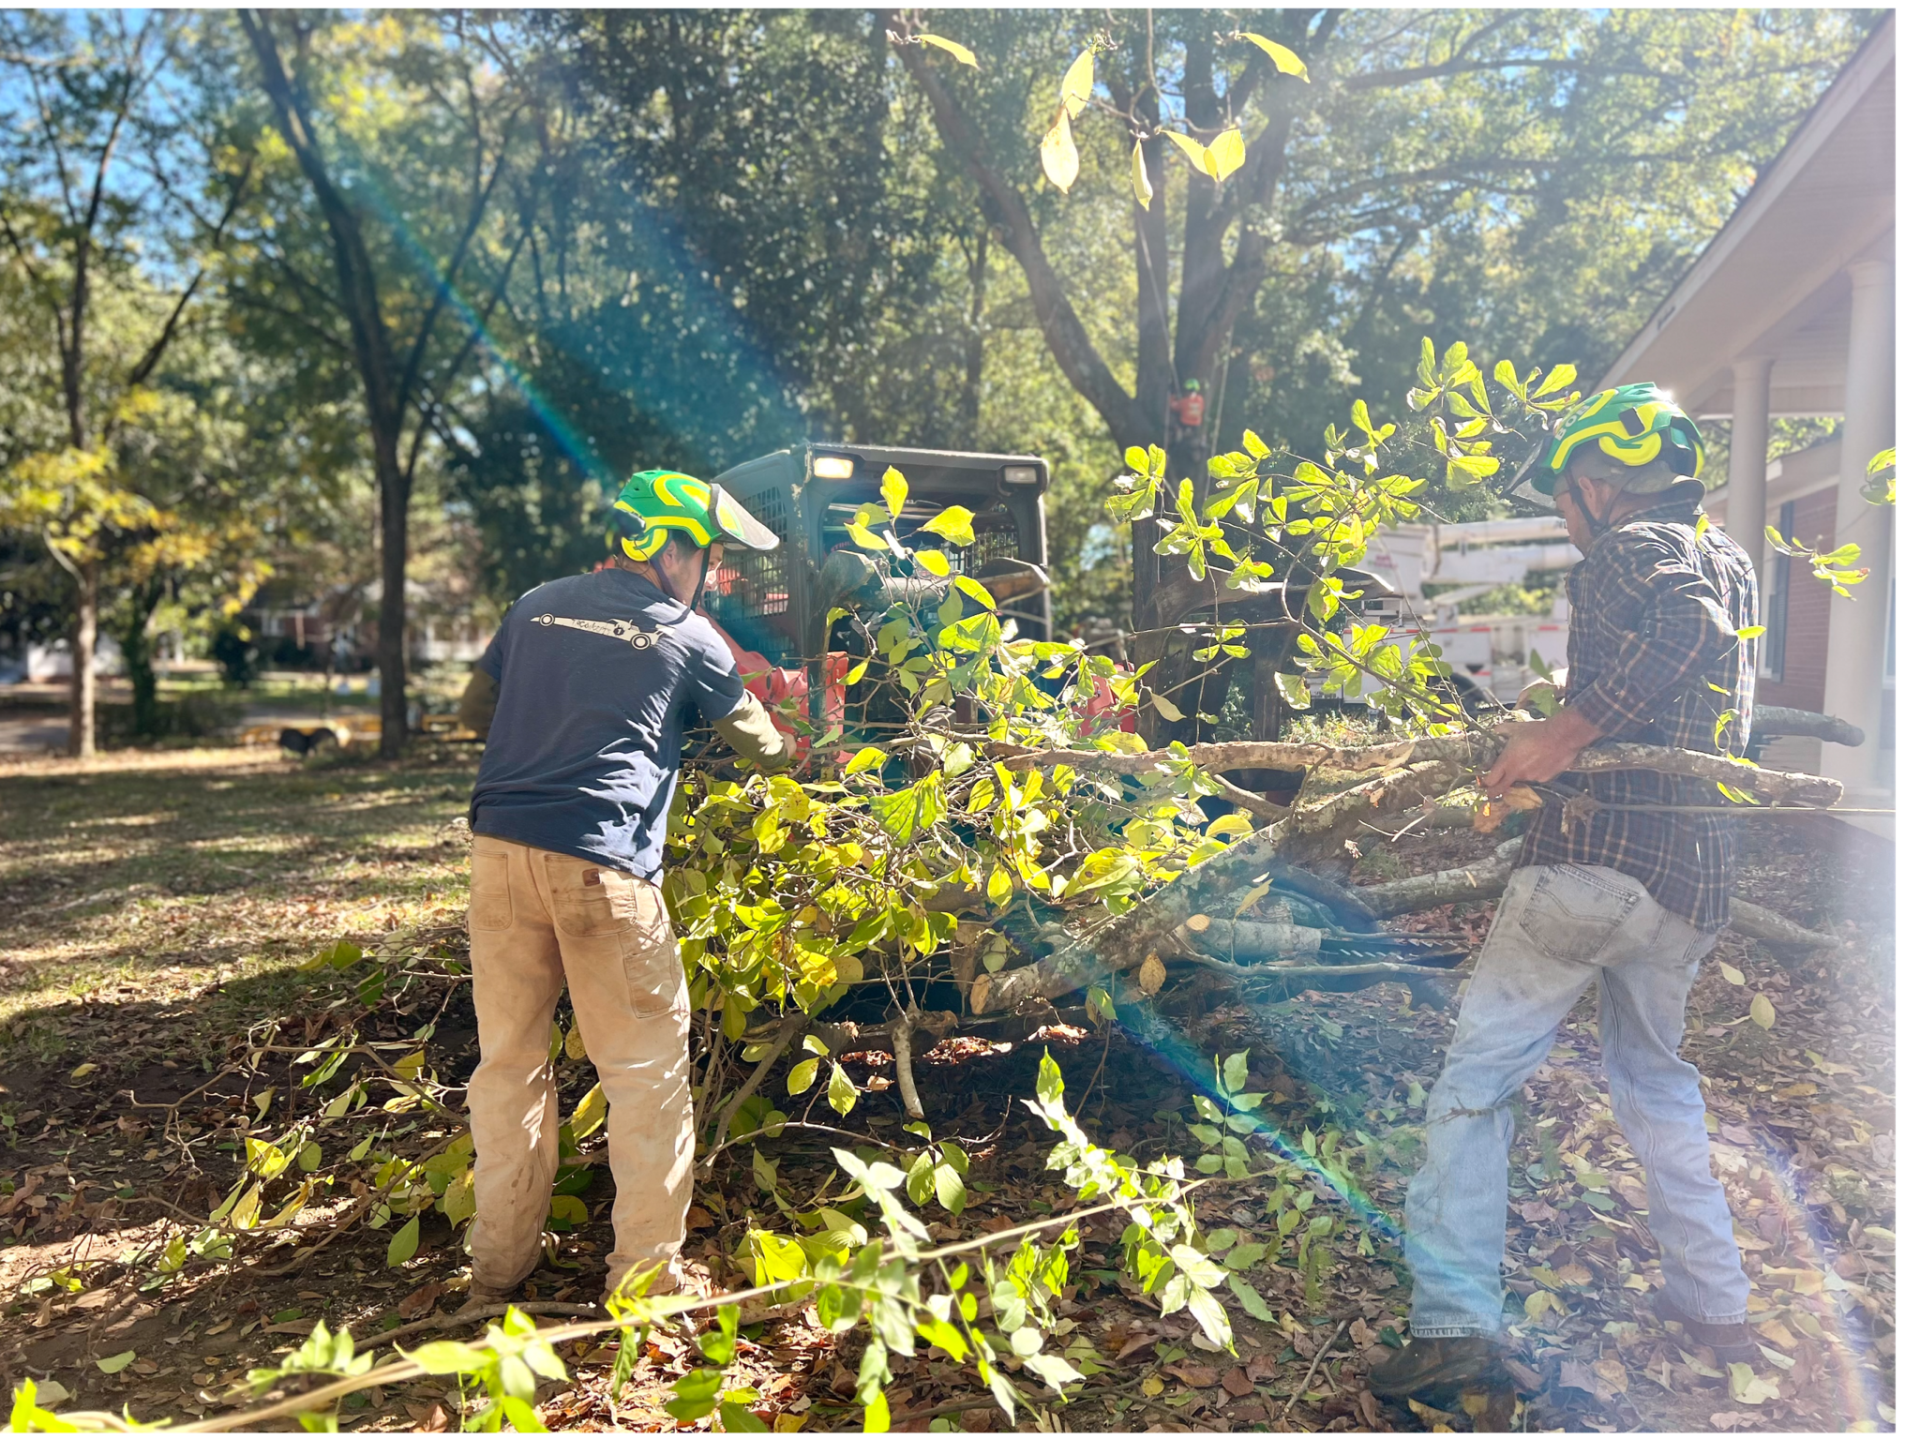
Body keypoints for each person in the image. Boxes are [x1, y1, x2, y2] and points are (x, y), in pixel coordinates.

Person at [1373, 385, 1763, 1398]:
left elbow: (1693, 629)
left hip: (1594, 863)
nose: (1564, 519)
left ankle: (1455, 1322)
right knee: (1658, 1084)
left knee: (1474, 1084)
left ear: (1597, 486)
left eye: (1563, 501)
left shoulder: (1631, 550)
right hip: (1692, 881)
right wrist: (1568, 717)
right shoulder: (1737, 555)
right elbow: (1703, 649)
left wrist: (1561, 732)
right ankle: (1717, 1301)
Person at [454, 469, 795, 1309]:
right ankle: (647, 1285)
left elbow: (473, 712)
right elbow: (762, 746)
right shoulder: (687, 633)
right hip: (603, 868)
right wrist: (799, 750)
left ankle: (496, 1271)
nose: (709, 574)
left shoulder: (534, 604)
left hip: (499, 855)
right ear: (670, 547)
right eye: (706, 557)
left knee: (508, 1067)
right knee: (644, 1075)